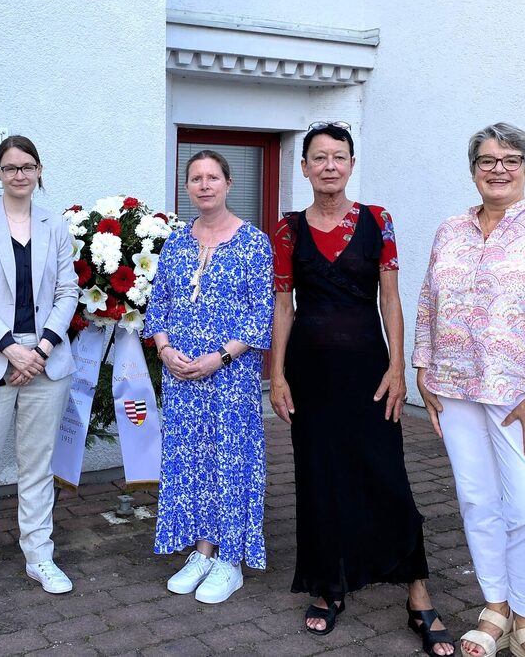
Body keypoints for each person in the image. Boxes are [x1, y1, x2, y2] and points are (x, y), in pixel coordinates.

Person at [268, 121, 455, 655]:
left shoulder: (379, 221)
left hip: (371, 373)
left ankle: (417, 590)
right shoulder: (288, 230)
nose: (330, 165)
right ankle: (329, 586)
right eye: (319, 157)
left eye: (339, 157)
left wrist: (399, 367)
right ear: (303, 168)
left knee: (387, 474)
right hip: (310, 374)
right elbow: (284, 306)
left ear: (351, 165)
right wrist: (276, 374)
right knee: (320, 477)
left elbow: (390, 301)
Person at [414, 123, 525, 657]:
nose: (498, 168)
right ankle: (495, 608)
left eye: (510, 159)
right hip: (456, 388)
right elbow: (427, 300)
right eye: (487, 160)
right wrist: (423, 367)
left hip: (522, 398)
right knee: (477, 502)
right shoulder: (451, 229)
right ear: (473, 169)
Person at [0, 135, 79, 606]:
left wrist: (40, 349)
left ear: (39, 170)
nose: (19, 174)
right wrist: (10, 348)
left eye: (27, 166)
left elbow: (69, 291)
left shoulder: (55, 225)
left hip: (46, 361)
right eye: (10, 167)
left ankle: (38, 555)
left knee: (38, 467)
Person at [143, 149, 273, 605]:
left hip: (230, 375)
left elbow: (263, 315)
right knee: (191, 460)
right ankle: (201, 551)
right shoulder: (177, 242)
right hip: (181, 377)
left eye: (212, 177)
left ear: (228, 183)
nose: (203, 185)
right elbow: (159, 306)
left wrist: (221, 355)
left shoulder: (253, 242)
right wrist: (165, 349)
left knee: (230, 461)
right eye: (195, 178)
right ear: (188, 187)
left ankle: (230, 559)